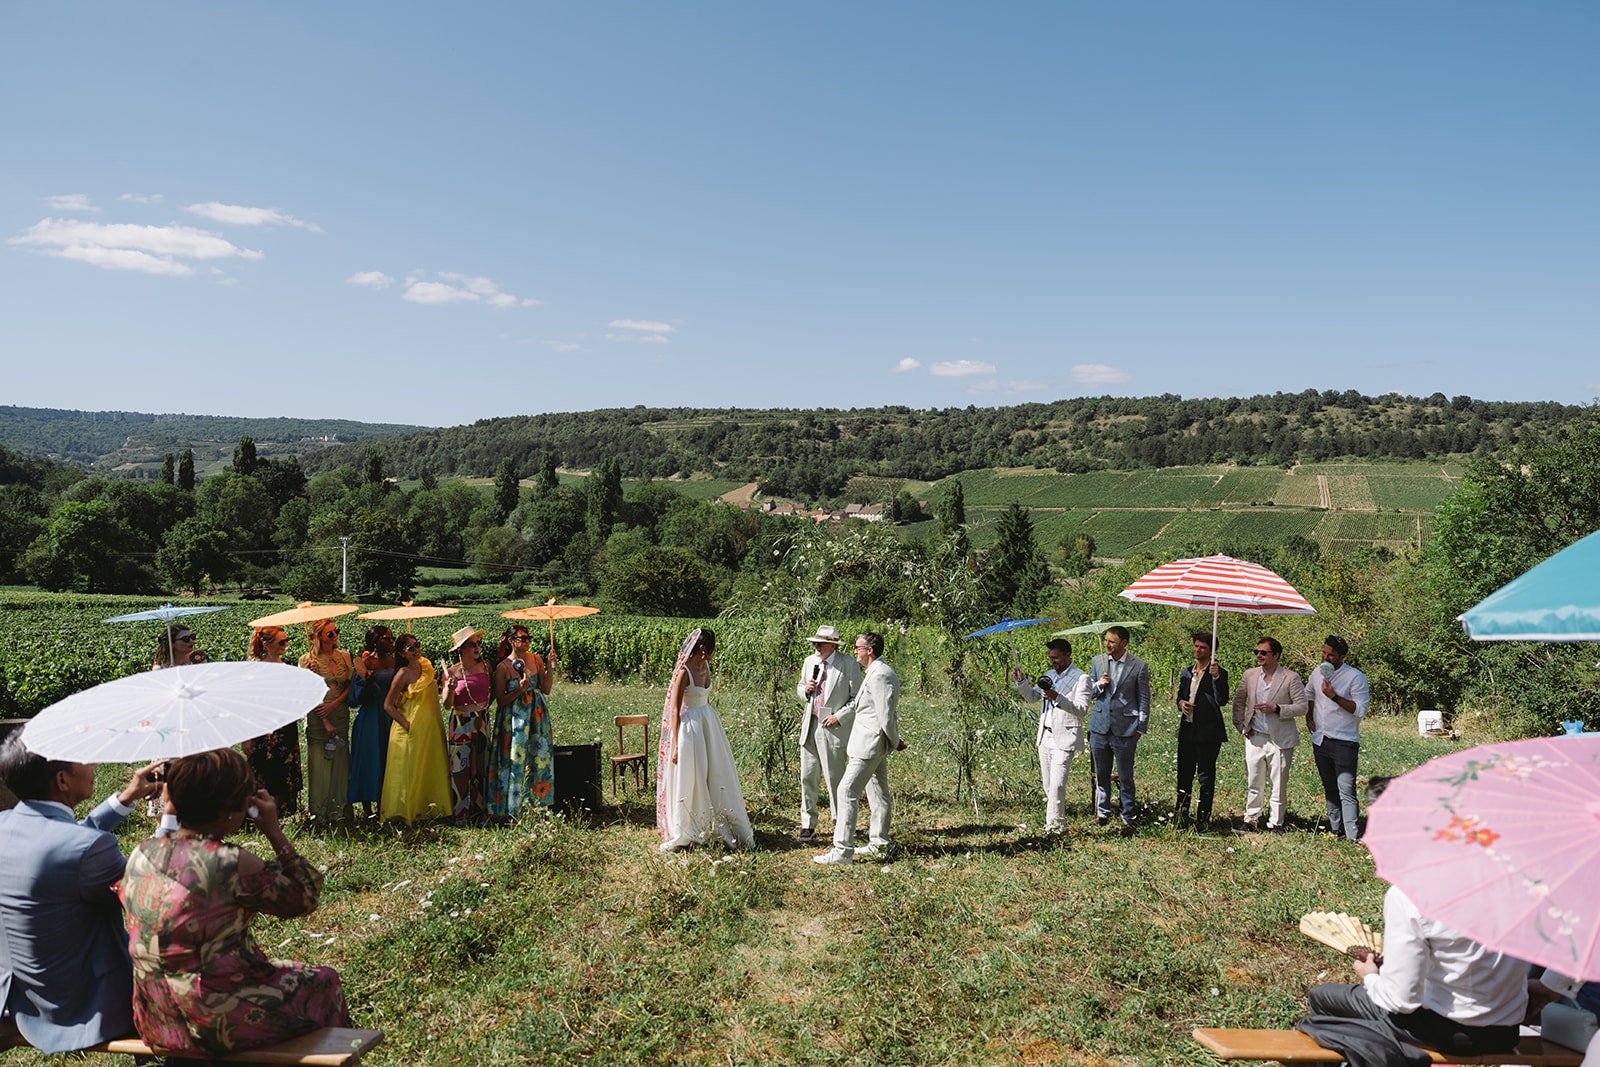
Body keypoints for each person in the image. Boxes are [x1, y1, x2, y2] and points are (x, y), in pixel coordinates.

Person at [120, 748, 351, 1057]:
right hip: (213, 1019)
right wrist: (273, 830)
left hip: (156, 1016)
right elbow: (304, 898)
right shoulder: (229, 861)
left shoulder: (142, 852)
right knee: (324, 982)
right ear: (231, 809)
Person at [1295, 777, 1528, 1067]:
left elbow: (1401, 1000)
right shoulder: (1514, 878)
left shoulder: (1410, 894)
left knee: (1321, 1001)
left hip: (1447, 1032)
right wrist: (1553, 986)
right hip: (1506, 1032)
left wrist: (1368, 974)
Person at [0, 735, 162, 1052]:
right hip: (83, 1012)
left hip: (22, 1003)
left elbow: (62, 843)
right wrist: (169, 818)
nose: (94, 764)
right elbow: (153, 892)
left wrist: (125, 798)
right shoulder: (85, 849)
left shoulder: (5, 824)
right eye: (83, 760)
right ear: (62, 780)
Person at [656, 627, 754, 851]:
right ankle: (689, 826)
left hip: (708, 722)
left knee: (716, 771)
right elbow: (674, 709)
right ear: (703, 649)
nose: (715, 652)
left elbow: (705, 696)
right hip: (689, 726)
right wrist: (676, 744)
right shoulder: (684, 672)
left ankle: (718, 821)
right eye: (712, 648)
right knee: (694, 774)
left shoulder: (707, 666)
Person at [814, 631, 903, 866]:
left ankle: (843, 850)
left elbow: (885, 716)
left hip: (869, 744)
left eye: (858, 647)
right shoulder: (874, 672)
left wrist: (896, 740)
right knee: (878, 793)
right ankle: (879, 843)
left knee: (846, 791)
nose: (855, 651)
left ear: (869, 650)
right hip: (871, 743)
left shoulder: (881, 675)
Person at [1011, 637, 1091, 834]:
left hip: (1064, 737)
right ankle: (1058, 822)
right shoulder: (1048, 675)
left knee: (1057, 785)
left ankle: (1054, 828)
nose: (1052, 661)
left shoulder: (1082, 678)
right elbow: (1031, 697)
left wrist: (1058, 698)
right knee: (1048, 785)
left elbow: (1081, 710)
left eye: (1056, 658)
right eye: (1050, 657)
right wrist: (1021, 682)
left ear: (1067, 655)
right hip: (1045, 737)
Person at [1229, 635, 1308, 832]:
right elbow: (1238, 701)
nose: (1258, 655)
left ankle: (1276, 823)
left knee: (1278, 784)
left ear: (1276, 655)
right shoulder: (1250, 675)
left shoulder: (1291, 677)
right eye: (1256, 652)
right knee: (1253, 781)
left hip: (1279, 739)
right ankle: (1250, 819)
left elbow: (1302, 707)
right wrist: (1240, 726)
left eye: (1263, 652)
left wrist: (1278, 708)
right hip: (1254, 736)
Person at [793, 623, 862, 843]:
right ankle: (808, 824)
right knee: (807, 776)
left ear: (832, 646)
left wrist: (838, 717)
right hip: (811, 724)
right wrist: (805, 690)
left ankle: (839, 821)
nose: (816, 647)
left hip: (833, 728)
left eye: (820, 644)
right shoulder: (809, 662)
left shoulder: (848, 664)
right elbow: (800, 686)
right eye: (814, 643)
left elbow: (857, 698)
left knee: (835, 778)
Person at [381, 633, 452, 824]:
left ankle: (432, 809)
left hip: (431, 728)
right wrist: (406, 724)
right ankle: (407, 812)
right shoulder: (402, 674)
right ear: (402, 653)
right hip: (410, 730)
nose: (416, 650)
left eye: (417, 645)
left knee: (431, 767)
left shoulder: (427, 665)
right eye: (410, 648)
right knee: (411, 772)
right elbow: (388, 705)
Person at [488, 625, 556, 818]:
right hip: (514, 720)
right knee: (516, 758)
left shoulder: (536, 659)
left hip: (537, 715)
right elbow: (500, 701)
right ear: (511, 641)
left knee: (538, 757)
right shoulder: (502, 667)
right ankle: (515, 806)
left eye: (529, 638)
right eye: (522, 638)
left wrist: (550, 668)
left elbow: (546, 688)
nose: (527, 641)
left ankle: (538, 804)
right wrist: (519, 689)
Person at [1088, 625, 1150, 832]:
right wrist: (1098, 684)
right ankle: (1102, 812)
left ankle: (1129, 814)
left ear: (1123, 643)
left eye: (1112, 641)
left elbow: (1143, 697)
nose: (1107, 644)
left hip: (1126, 728)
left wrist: (1141, 727)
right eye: (1106, 640)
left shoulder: (1139, 666)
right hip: (1099, 726)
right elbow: (1088, 693)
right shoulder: (1097, 662)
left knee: (1125, 775)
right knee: (1101, 773)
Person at [1309, 634, 1371, 842]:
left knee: (1346, 789)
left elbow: (1360, 710)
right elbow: (1309, 695)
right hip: (1320, 738)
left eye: (1331, 655)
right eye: (1324, 652)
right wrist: (1309, 717)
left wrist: (1334, 696)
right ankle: (1336, 830)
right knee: (1329, 786)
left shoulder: (1355, 677)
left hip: (1344, 741)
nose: (1325, 658)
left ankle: (1352, 837)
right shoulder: (1317, 672)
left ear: (1342, 656)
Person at [299, 618, 353, 828]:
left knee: (340, 760)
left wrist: (335, 705)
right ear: (319, 637)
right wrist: (324, 717)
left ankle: (339, 810)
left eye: (336, 631)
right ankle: (319, 813)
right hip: (317, 715)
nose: (335, 635)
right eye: (330, 633)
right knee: (319, 762)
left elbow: (349, 686)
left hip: (339, 712)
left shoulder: (345, 656)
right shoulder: (306, 660)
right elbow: (306, 693)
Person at [244, 626, 302, 819]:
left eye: (286, 641)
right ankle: (259, 814)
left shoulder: (287, 667)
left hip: (285, 726)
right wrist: (246, 736)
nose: (286, 645)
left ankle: (279, 814)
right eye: (281, 642)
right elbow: (247, 704)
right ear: (266, 645)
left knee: (283, 770)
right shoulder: (255, 670)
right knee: (263, 771)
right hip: (263, 727)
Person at [1175, 632, 1230, 831]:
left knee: (1205, 776)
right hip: (1187, 729)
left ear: (1211, 651)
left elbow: (1221, 700)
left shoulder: (1219, 673)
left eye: (1203, 648)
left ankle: (1203, 819)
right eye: (1196, 646)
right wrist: (1181, 703)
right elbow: (1180, 697)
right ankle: (1181, 817)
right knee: (1183, 774)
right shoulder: (1186, 671)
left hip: (1208, 732)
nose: (1198, 650)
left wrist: (1216, 678)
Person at [441, 626, 491, 824]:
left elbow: (492, 693)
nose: (477, 647)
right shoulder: (451, 672)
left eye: (478, 643)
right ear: (461, 649)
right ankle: (460, 815)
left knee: (481, 766)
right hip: (461, 720)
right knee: (459, 769)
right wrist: (450, 689)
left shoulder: (486, 667)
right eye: (472, 645)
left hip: (482, 720)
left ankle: (479, 813)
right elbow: (446, 704)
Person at [346, 625, 396, 820]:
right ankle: (367, 808)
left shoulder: (395, 662)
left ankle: (385, 803)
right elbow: (355, 698)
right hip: (370, 717)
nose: (391, 641)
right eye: (387, 638)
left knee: (388, 759)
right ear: (375, 641)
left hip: (391, 716)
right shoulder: (365, 662)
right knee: (369, 759)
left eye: (392, 638)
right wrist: (367, 681)